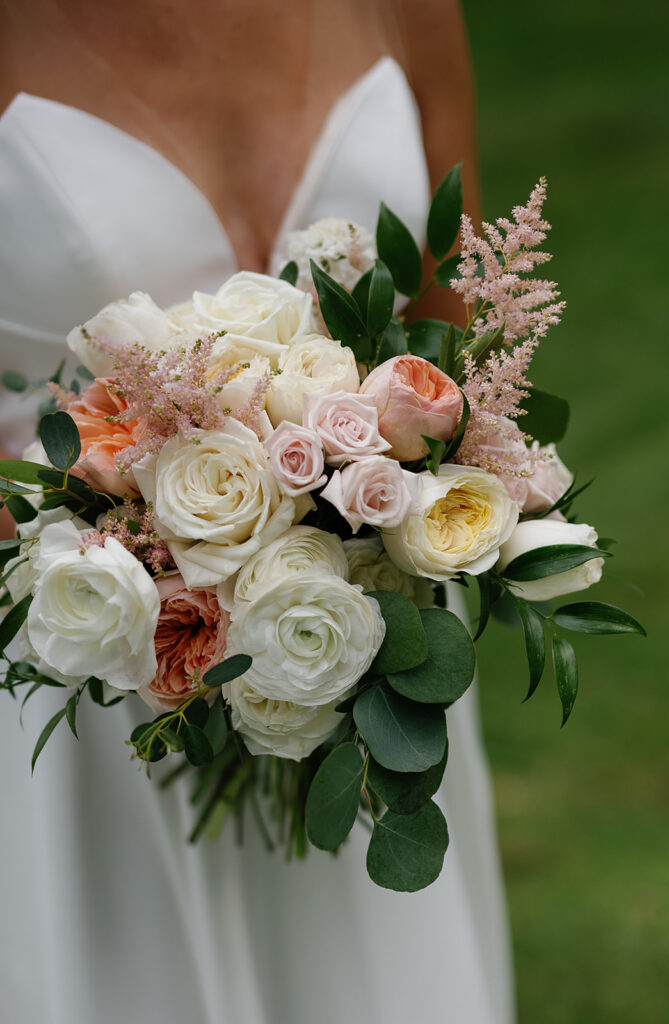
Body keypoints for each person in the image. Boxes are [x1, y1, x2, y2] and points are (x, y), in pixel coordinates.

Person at [0, 2, 515, 1020]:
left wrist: (343, 524)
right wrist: (150, 548)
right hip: (73, 662)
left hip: (363, 656)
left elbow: (447, 330)